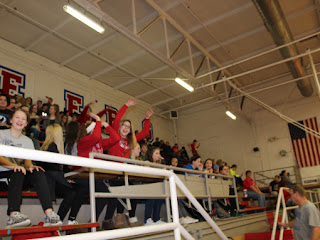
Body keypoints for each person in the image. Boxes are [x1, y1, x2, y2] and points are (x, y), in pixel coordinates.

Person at [0, 108, 62, 228]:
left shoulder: (27, 141)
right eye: (17, 117)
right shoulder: (1, 134)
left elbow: (27, 162)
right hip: (3, 174)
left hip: (18, 176)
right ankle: (13, 215)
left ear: (26, 124)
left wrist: (31, 167)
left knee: (38, 172)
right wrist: (15, 166)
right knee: (17, 171)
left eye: (23, 119)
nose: (20, 120)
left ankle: (49, 214)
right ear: (11, 120)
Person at [103, 98, 153, 229]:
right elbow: (116, 119)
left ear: (130, 130)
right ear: (119, 127)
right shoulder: (115, 136)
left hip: (123, 174)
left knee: (132, 190)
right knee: (119, 191)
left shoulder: (131, 141)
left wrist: (147, 118)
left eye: (128, 127)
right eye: (124, 126)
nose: (125, 128)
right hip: (111, 172)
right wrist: (125, 105)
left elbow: (145, 133)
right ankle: (108, 220)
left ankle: (127, 218)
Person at [40, 124, 85, 224]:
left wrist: (64, 178)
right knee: (72, 192)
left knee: (80, 189)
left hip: (56, 180)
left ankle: (70, 219)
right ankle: (59, 219)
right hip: (51, 182)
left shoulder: (52, 146)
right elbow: (52, 171)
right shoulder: (52, 147)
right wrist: (64, 180)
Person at [144, 147, 165, 225]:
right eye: (156, 153)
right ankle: (147, 219)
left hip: (155, 185)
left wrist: (163, 161)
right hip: (147, 184)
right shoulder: (147, 162)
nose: (159, 155)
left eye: (159, 153)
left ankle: (156, 218)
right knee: (153, 192)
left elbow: (164, 171)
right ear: (151, 154)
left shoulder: (158, 164)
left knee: (160, 193)